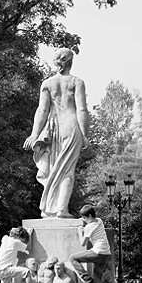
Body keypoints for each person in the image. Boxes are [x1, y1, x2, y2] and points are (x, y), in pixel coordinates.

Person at [23, 47, 90, 218]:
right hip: (71, 126)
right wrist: (84, 135)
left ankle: (49, 209)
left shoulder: (47, 84)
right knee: (67, 171)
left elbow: (42, 111)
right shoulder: (77, 82)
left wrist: (34, 134)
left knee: (54, 169)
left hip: (53, 130)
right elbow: (81, 110)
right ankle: (61, 209)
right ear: (70, 62)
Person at [69, 204, 111, 283]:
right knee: (98, 277)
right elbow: (90, 225)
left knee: (73, 258)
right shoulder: (99, 221)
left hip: (97, 252)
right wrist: (83, 222)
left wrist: (79, 230)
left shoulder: (88, 227)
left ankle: (86, 278)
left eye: (84, 218)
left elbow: (83, 242)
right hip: (106, 254)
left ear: (90, 216)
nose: (83, 220)